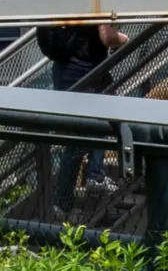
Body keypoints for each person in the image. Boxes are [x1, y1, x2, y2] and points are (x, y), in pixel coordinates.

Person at [38, 18, 126, 207]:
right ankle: (93, 178)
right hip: (86, 70)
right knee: (99, 122)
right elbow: (107, 38)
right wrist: (124, 39)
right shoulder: (96, 2)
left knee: (81, 133)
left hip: (66, 70)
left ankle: (67, 196)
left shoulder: (71, 2)